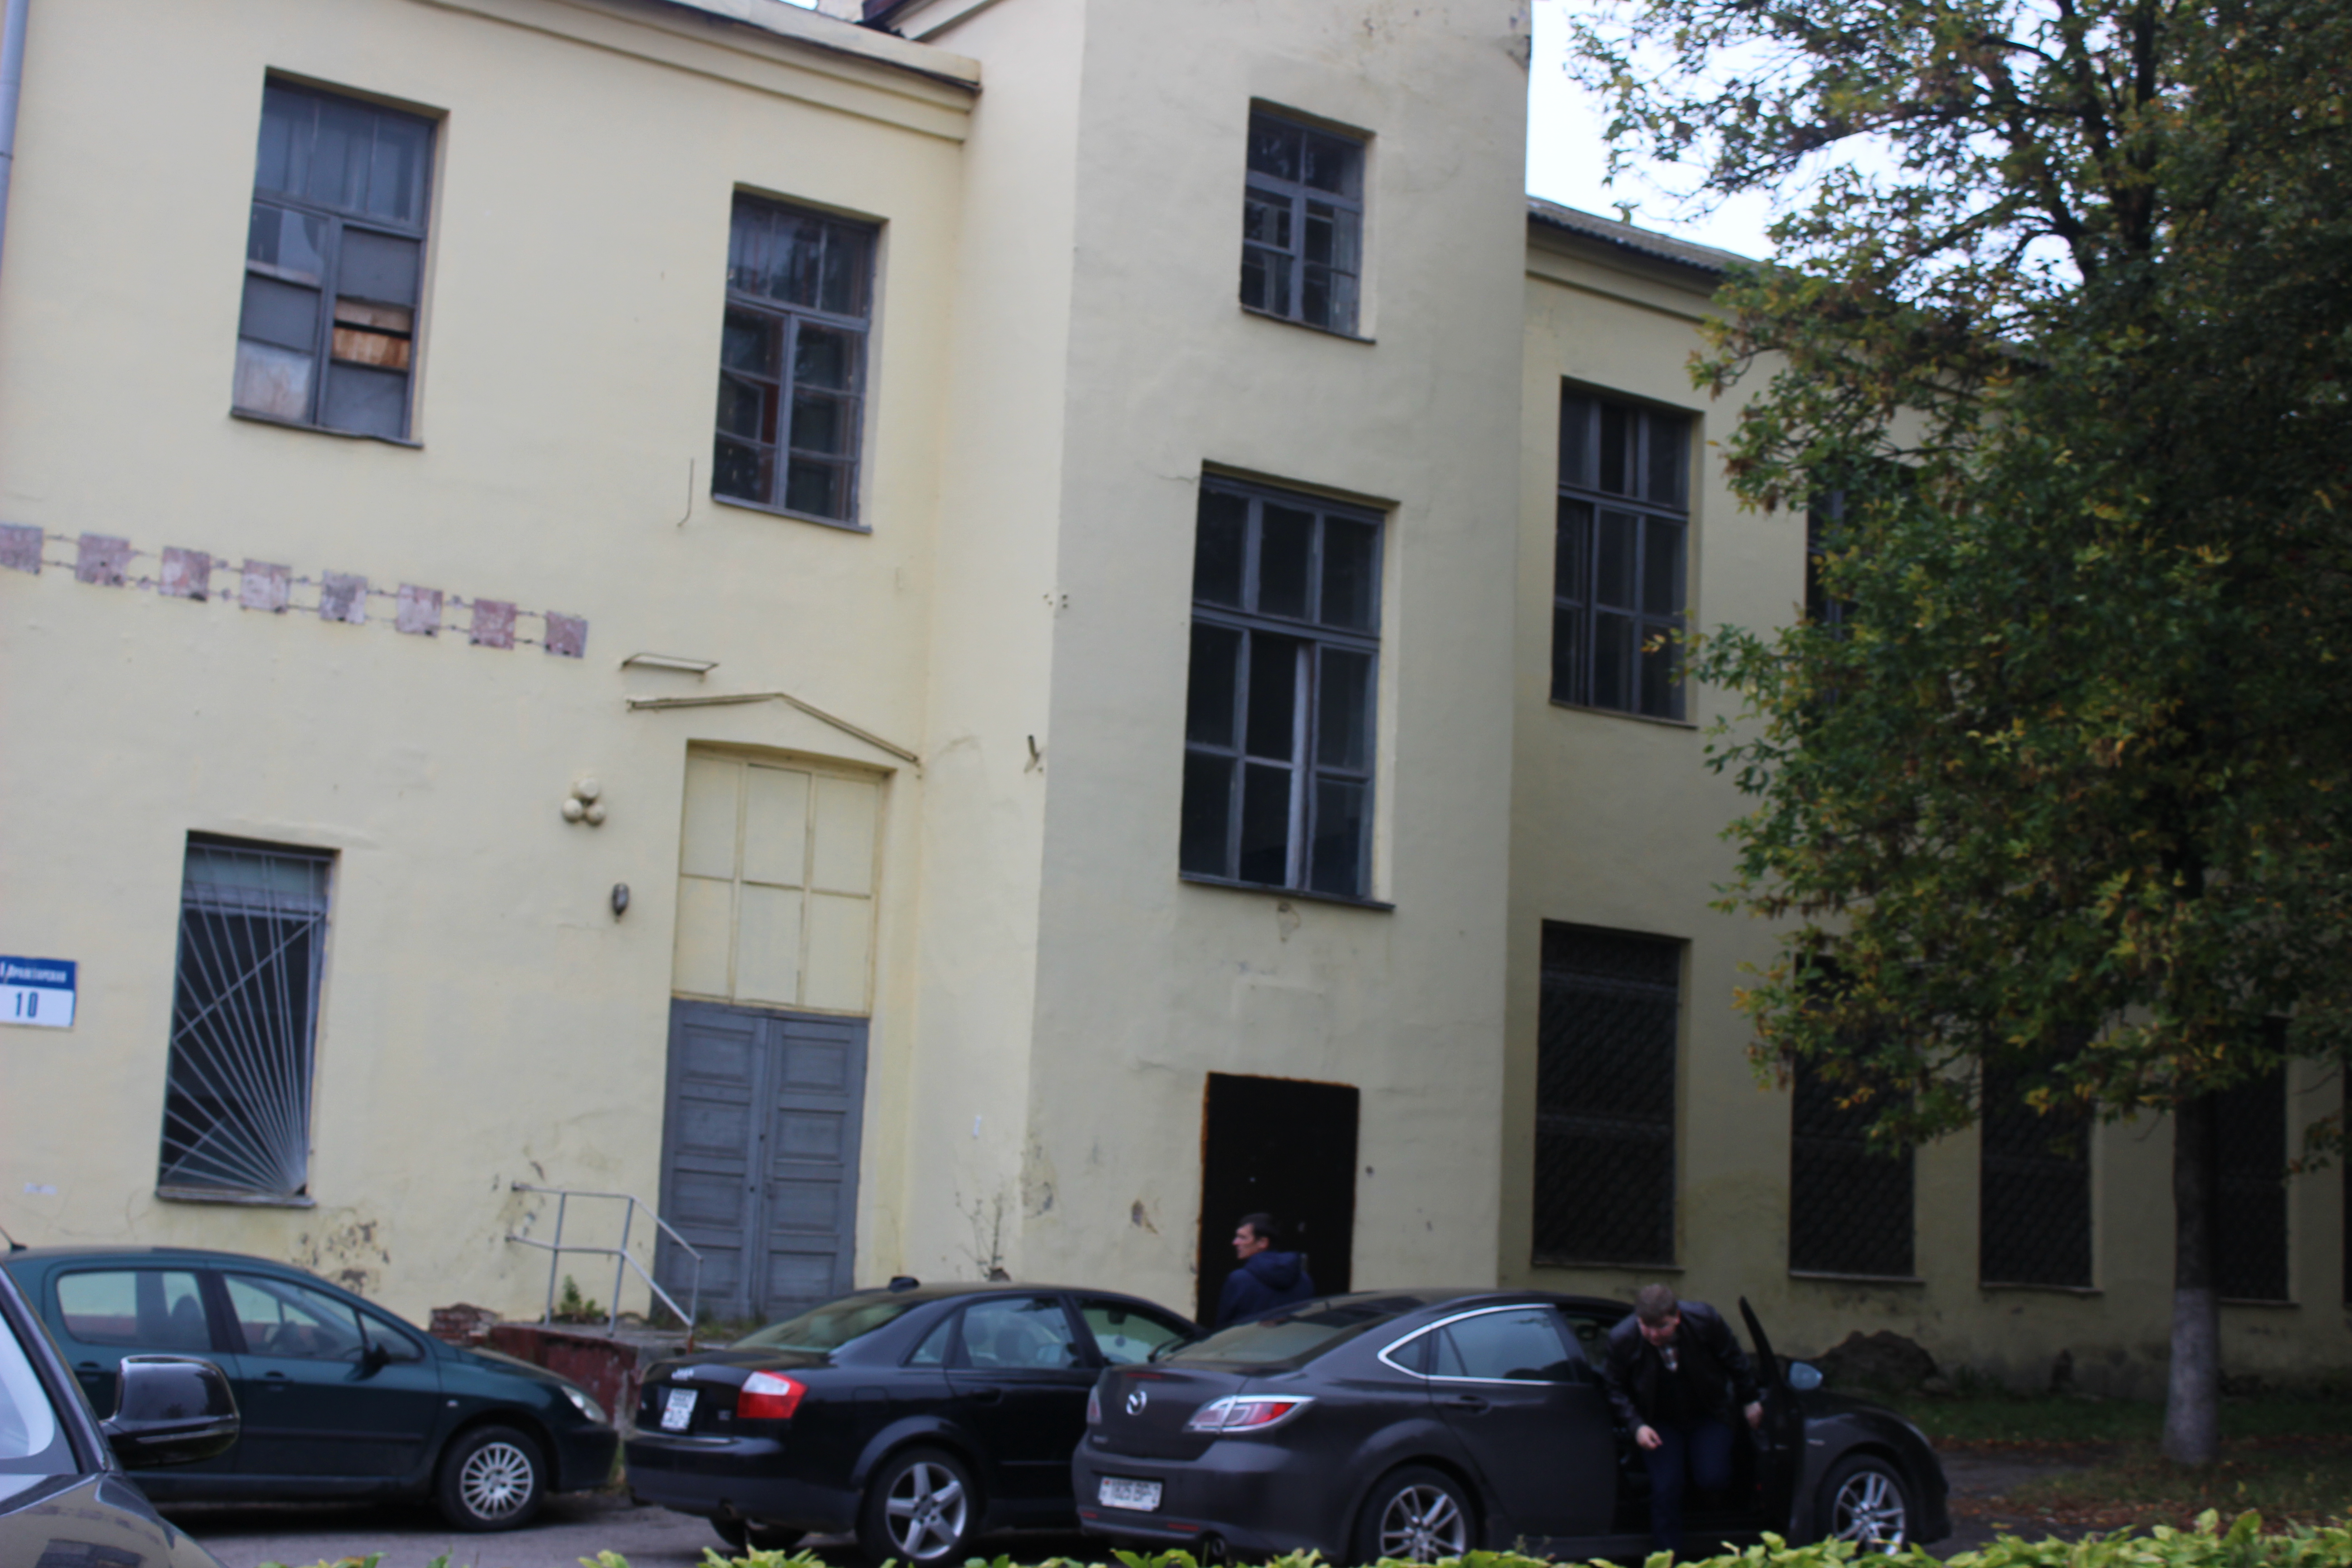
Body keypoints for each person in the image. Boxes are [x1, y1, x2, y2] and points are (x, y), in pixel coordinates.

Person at [1597, 1284, 1765, 1556]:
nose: (1654, 1334)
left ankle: (1716, 1540)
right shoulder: (1623, 1338)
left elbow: (1734, 1359)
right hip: (1658, 1422)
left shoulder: (1705, 1321)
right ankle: (1668, 1557)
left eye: (1661, 1326)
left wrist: (1750, 1400)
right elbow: (1614, 1388)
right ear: (1638, 1320)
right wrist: (1637, 1426)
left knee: (1713, 1478)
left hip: (1709, 1413)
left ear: (1677, 1317)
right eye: (1646, 1326)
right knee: (1665, 1489)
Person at [1213, 1212, 1317, 1327]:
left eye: (1243, 1237)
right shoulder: (1304, 1278)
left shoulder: (1239, 1280)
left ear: (1263, 1242)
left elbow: (1222, 1328)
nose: (1235, 1242)